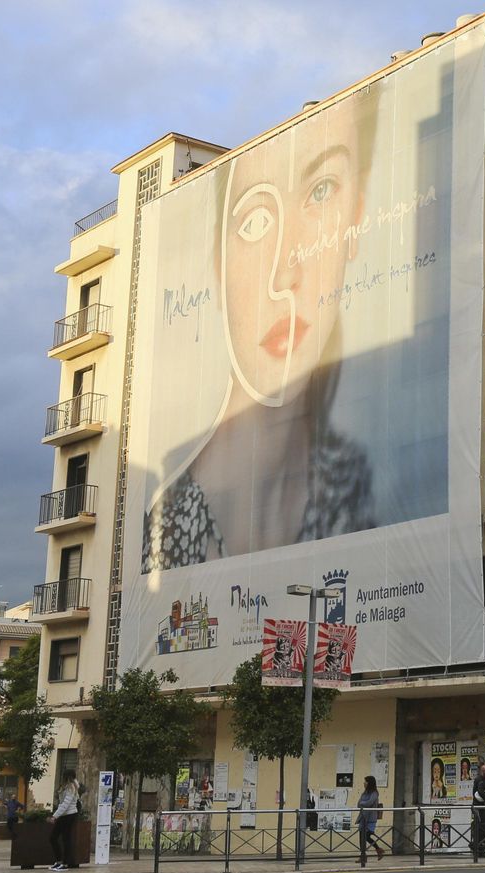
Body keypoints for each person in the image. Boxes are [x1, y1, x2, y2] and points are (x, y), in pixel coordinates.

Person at [140, 95, 380, 573]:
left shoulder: (354, 482)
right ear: (217, 263)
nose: (282, 277)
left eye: (320, 191)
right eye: (255, 223)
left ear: (356, 219)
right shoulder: (165, 530)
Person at [49, 771, 83, 871]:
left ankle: (65, 863)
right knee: (53, 837)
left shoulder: (71, 787)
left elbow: (65, 804)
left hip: (69, 815)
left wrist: (54, 816)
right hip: (64, 815)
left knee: (65, 839)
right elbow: (61, 803)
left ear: (67, 777)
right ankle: (59, 861)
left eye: (64, 776)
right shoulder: (66, 787)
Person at [357, 775, 385, 860]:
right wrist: (363, 803)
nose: (364, 783)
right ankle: (363, 856)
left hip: (371, 819)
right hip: (363, 817)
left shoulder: (374, 793)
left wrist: (363, 802)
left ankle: (378, 849)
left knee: (367, 836)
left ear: (369, 783)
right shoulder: (364, 793)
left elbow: (369, 802)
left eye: (365, 781)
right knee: (361, 838)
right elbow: (358, 804)